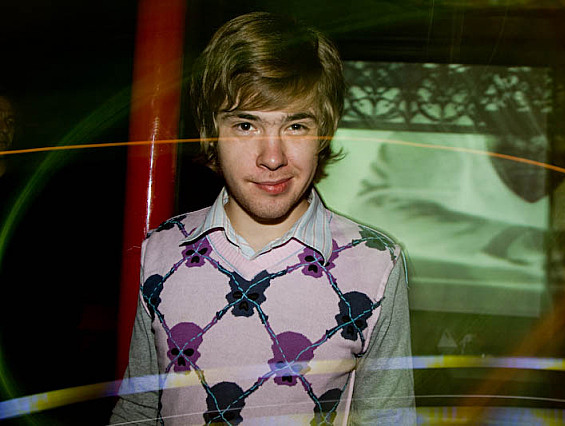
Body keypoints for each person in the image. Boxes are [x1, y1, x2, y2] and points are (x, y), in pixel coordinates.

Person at [110, 11, 415, 425]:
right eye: (246, 125)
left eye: (296, 126)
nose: (272, 158)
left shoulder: (376, 262)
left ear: (324, 133)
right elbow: (139, 409)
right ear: (211, 132)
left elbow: (388, 419)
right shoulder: (163, 249)